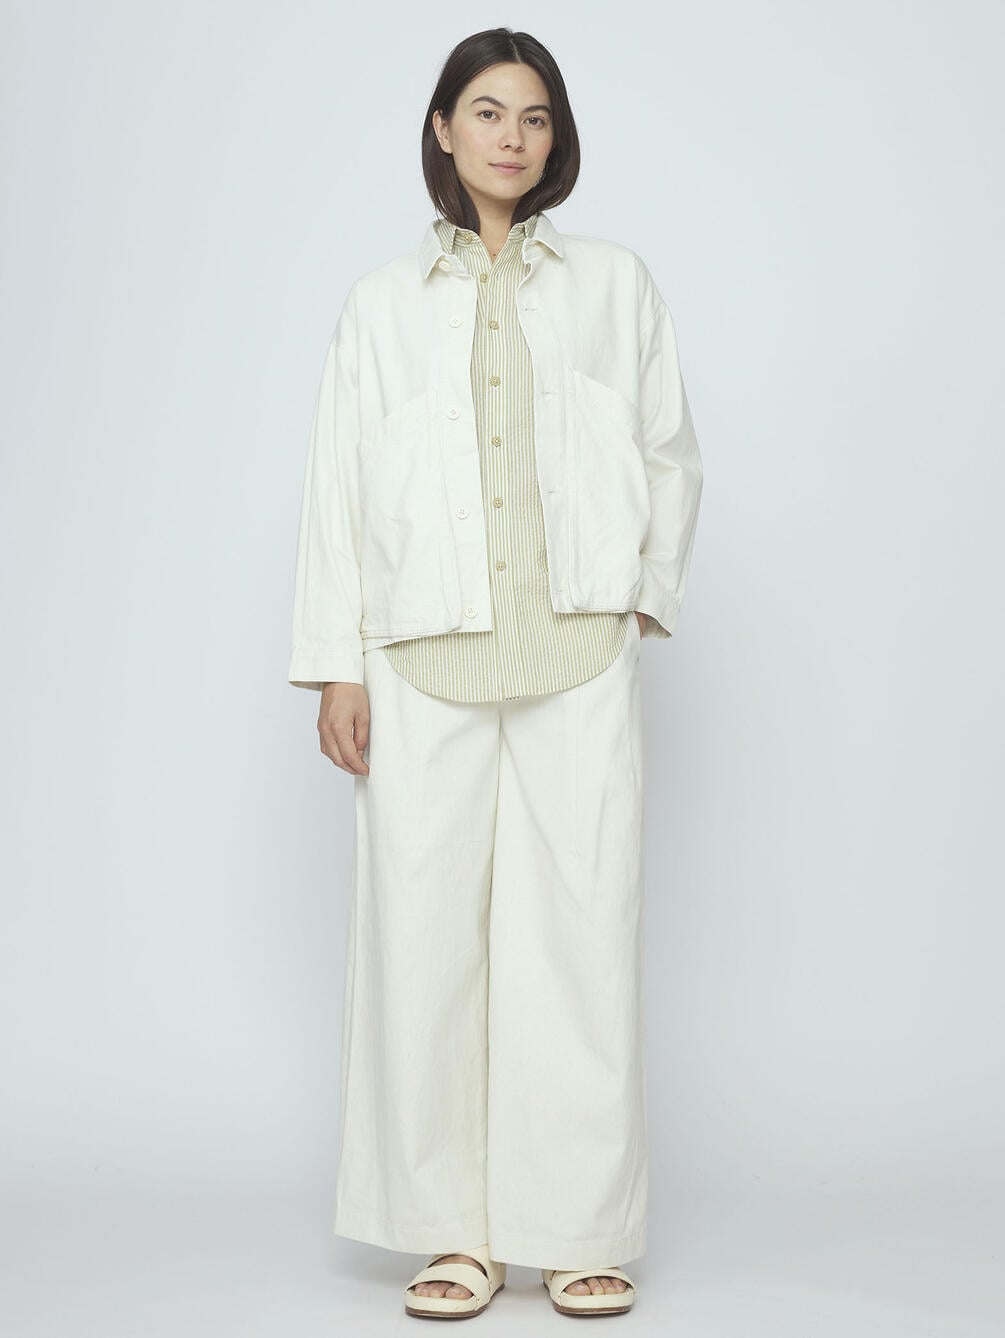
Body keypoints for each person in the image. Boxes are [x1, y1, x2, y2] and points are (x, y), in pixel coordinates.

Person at [288, 26, 703, 1321]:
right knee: (422, 942)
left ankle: (577, 1227)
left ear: (554, 136)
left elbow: (668, 448)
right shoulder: (379, 305)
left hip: (574, 649)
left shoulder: (614, 285)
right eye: (485, 111)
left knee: (578, 935)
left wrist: (639, 593)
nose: (510, 137)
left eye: (533, 116)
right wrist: (335, 665)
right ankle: (450, 1232)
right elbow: (338, 487)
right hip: (419, 654)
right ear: (441, 128)